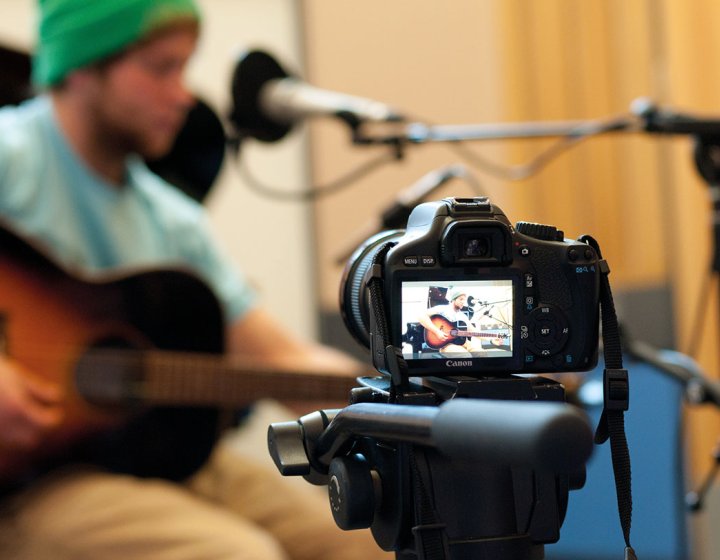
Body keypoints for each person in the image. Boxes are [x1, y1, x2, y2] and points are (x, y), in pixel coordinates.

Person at [0, 1, 391, 559]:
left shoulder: (171, 219)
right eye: (161, 68)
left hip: (164, 467)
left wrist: (404, 390)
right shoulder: (10, 156)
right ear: (83, 68)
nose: (184, 94)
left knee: (365, 541)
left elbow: (279, 360)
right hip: (29, 484)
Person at [418, 287, 503, 356]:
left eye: (464, 300)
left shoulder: (462, 316)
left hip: (463, 342)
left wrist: (491, 339)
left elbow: (473, 331)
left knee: (482, 354)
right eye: (461, 299)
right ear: (453, 299)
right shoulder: (442, 309)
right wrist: (437, 332)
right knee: (466, 356)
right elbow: (421, 316)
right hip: (447, 344)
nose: (463, 302)